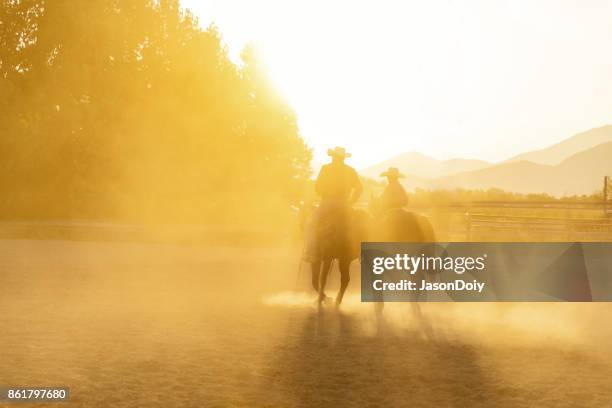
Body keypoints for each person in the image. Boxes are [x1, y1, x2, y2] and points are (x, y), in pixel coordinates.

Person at [312, 146, 363, 306]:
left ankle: (311, 251)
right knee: (355, 226)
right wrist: (351, 201)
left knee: (312, 225)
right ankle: (339, 297)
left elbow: (317, 187)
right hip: (344, 205)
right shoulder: (350, 170)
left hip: (327, 203)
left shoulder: (326, 168)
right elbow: (360, 189)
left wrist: (326, 194)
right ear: (343, 158)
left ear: (334, 157)